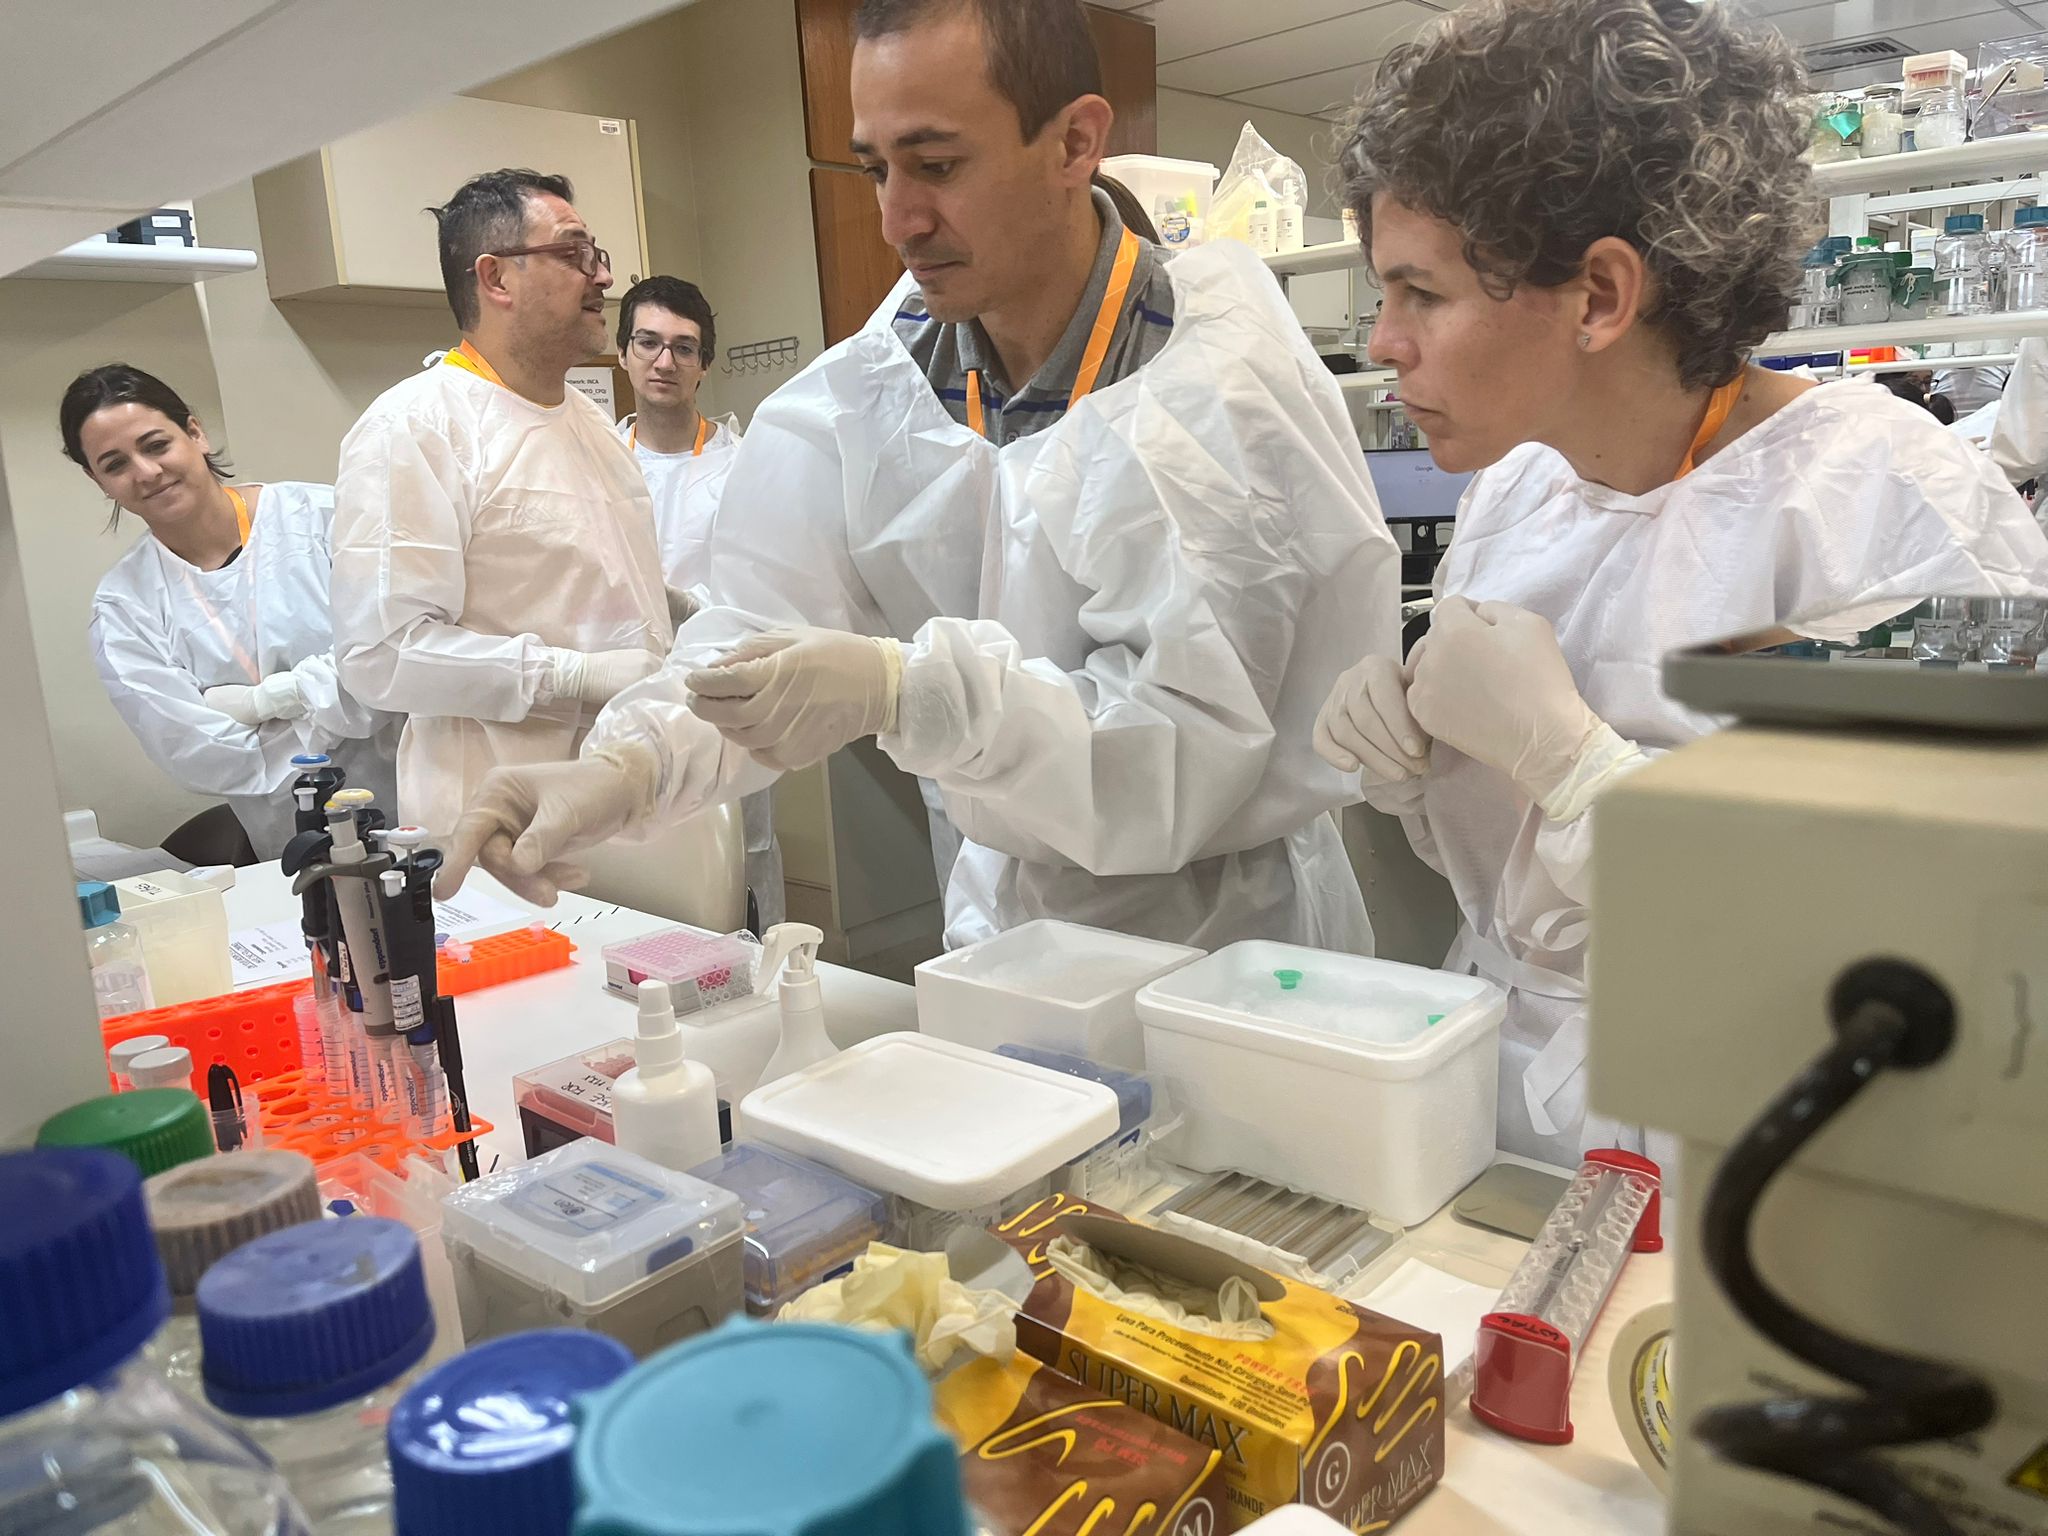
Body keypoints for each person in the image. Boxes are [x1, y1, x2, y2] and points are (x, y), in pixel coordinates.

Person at [436, 0, 1401, 955]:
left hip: (1229, 947)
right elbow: (749, 641)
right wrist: (624, 768)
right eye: (877, 168)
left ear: (1074, 143)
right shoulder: (875, 397)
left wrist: (911, 694)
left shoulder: (1217, 381)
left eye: (937, 165)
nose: (898, 218)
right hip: (1005, 935)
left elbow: (1179, 764)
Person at [1312, 0, 2048, 1165]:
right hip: (1504, 1107)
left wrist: (1579, 770)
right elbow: (1517, 893)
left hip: (1768, 1150)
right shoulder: (1514, 490)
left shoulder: (1896, 502)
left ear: (1601, 297)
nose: (1382, 343)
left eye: (1422, 294)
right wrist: (1420, 764)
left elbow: (1957, 933)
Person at [330, 169, 673, 838]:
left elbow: (579, 582)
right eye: (574, 253)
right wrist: (569, 676)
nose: (602, 276)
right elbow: (382, 654)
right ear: (496, 279)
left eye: (595, 255)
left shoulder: (593, 424)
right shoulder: (416, 426)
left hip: (623, 792)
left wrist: (678, 609)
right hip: (497, 820)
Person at [71, 364, 399, 859]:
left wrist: (263, 704)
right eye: (115, 464)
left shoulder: (326, 520)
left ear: (195, 432)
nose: (146, 472)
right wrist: (337, 695)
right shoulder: (124, 607)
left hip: (427, 811)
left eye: (156, 444)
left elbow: (400, 660)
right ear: (98, 480)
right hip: (293, 850)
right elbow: (202, 756)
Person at [615, 275, 783, 928]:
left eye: (684, 348)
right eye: (649, 343)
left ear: (704, 365)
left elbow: (770, 594)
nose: (665, 362)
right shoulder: (594, 468)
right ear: (625, 353)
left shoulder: (744, 466)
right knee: (637, 873)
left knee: (742, 869)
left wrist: (692, 609)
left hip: (725, 700)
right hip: (620, 698)